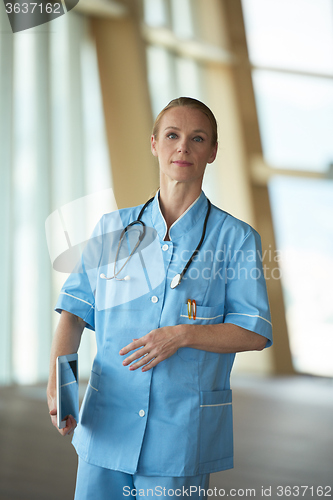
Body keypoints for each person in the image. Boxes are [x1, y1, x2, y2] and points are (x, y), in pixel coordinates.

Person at [47, 97, 272, 499]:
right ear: (155, 144)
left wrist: (182, 336)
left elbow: (252, 331)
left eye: (197, 138)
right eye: (173, 135)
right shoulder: (113, 228)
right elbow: (75, 311)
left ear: (213, 151)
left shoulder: (236, 239)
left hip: (181, 436)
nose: (183, 147)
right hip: (106, 424)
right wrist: (58, 385)